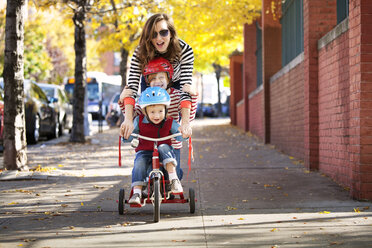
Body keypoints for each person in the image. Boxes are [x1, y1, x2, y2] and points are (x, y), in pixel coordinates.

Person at [119, 57, 197, 180]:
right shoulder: (146, 97)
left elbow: (188, 116)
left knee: (172, 174)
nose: (157, 81)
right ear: (148, 82)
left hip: (172, 143)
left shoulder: (176, 96)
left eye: (161, 77)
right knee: (143, 170)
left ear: (169, 79)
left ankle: (174, 178)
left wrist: (193, 96)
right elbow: (136, 115)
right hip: (149, 143)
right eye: (153, 78)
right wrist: (122, 100)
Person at [120, 13, 194, 141]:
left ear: (171, 33)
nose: (159, 38)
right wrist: (128, 120)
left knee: (174, 123)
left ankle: (170, 151)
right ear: (148, 37)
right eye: (153, 34)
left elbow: (185, 89)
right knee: (147, 116)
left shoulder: (184, 50)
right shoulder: (140, 52)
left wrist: (186, 123)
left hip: (176, 82)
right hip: (150, 81)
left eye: (163, 32)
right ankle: (147, 150)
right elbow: (131, 88)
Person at [123, 87, 186, 205]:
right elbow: (131, 134)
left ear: (166, 110)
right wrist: (127, 135)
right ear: (145, 111)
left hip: (164, 152)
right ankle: (137, 192)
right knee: (139, 161)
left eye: (160, 111)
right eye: (152, 112)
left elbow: (179, 135)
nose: (156, 115)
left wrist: (184, 133)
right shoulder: (139, 121)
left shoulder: (170, 122)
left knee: (163, 147)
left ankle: (174, 179)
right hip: (145, 151)